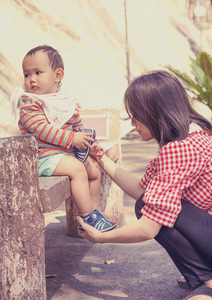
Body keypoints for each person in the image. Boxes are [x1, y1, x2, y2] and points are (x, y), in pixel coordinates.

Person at [77, 70, 212, 300]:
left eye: (136, 115)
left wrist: (100, 238)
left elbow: (148, 228)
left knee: (148, 210)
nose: (133, 123)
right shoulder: (195, 133)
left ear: (157, 115)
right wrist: (101, 159)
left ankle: (207, 281)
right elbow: (143, 191)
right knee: (148, 203)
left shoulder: (180, 149)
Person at [10, 45, 115, 232]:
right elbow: (41, 130)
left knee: (94, 169)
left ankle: (95, 211)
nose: (32, 79)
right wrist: (72, 139)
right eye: (27, 74)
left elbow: (77, 125)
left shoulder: (64, 100)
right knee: (77, 169)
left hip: (63, 155)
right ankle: (86, 217)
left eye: (38, 72)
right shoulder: (29, 103)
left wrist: (90, 145)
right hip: (42, 158)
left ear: (57, 76)